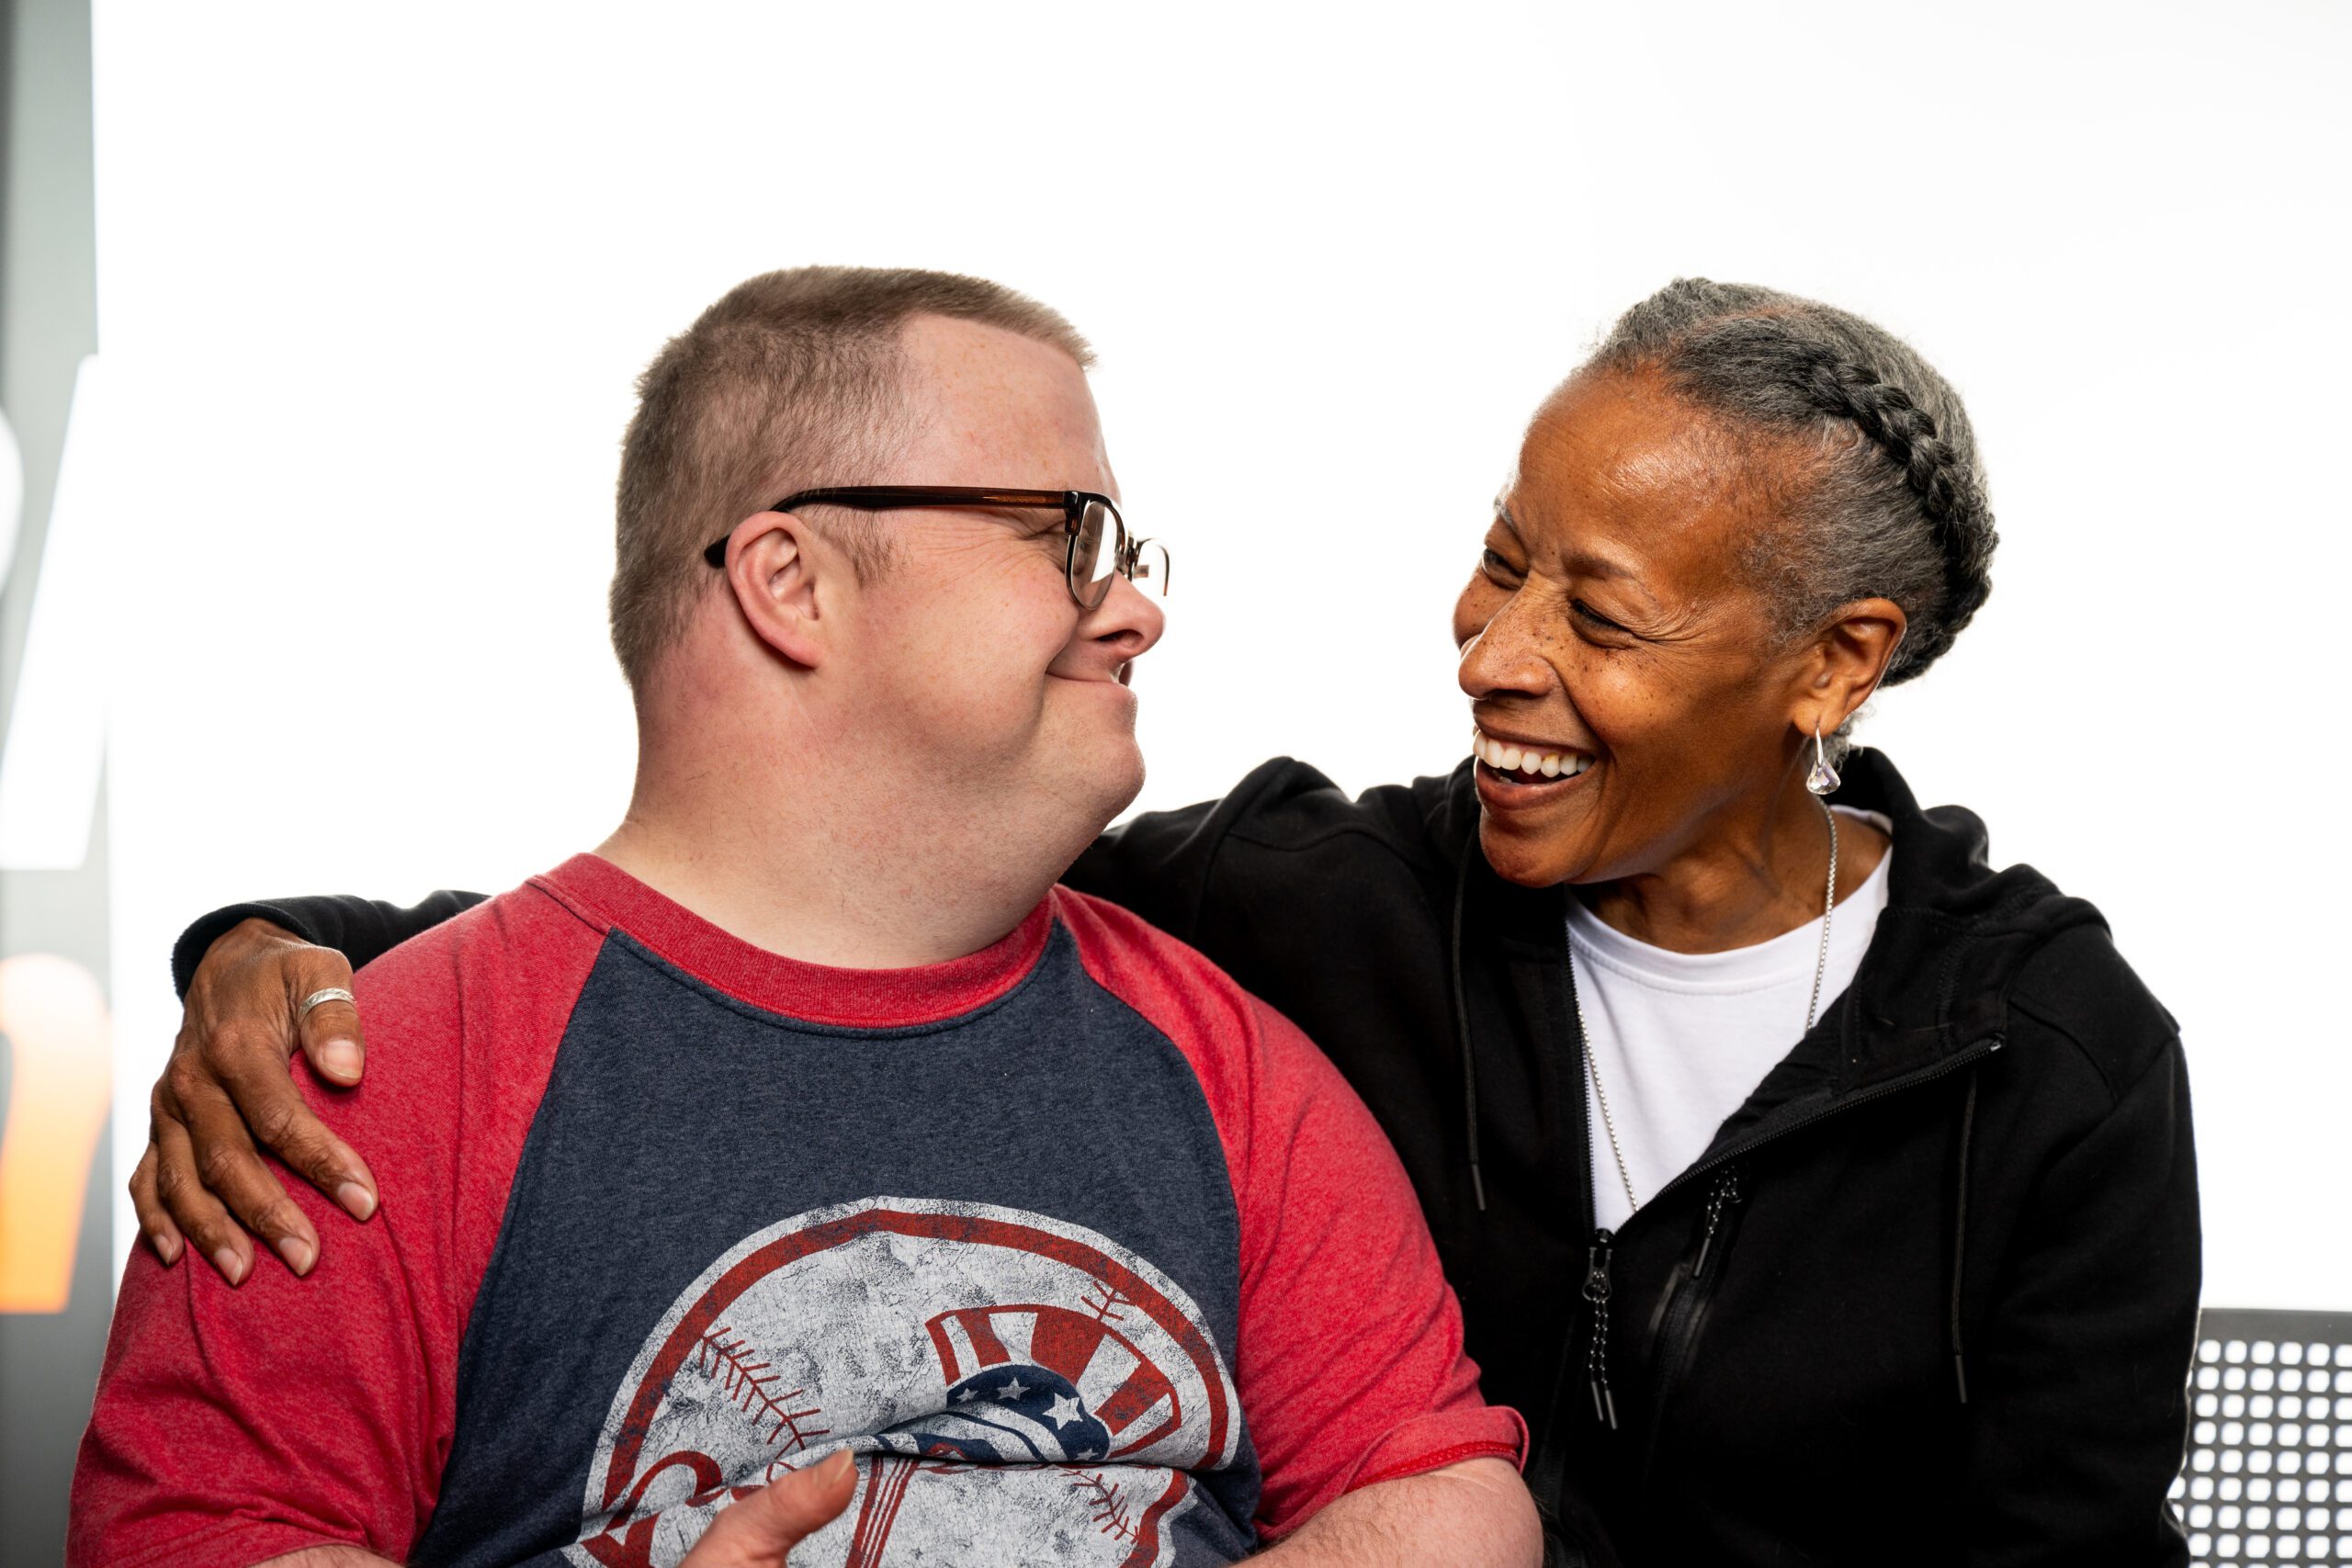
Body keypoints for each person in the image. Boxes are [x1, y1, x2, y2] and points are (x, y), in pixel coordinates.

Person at [136, 279, 2201, 1566]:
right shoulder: (1324, 903)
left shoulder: (2047, 1055)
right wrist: (275, 948)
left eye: (1598, 609)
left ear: (1829, 665)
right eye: (1494, 562)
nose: (1487, 650)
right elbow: (787, 887)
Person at [71, 268, 1543, 1568]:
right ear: (790, 581)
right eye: (1066, 532)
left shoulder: (1226, 1062)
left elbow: (1444, 1496)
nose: (1133, 606)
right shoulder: (357, 1093)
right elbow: (197, 1538)